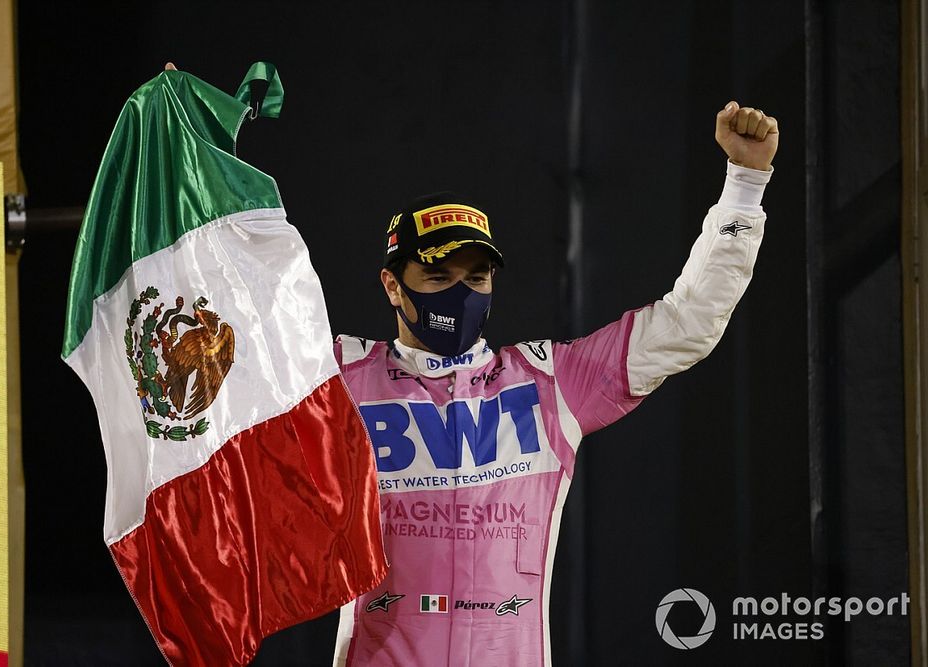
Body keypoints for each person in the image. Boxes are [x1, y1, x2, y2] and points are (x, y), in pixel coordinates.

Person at [329, 102, 777, 666]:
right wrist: (185, 169)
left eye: (477, 276)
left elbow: (686, 324)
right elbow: (226, 358)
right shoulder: (340, 380)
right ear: (393, 286)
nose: (460, 292)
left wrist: (744, 185)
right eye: (438, 276)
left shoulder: (549, 383)